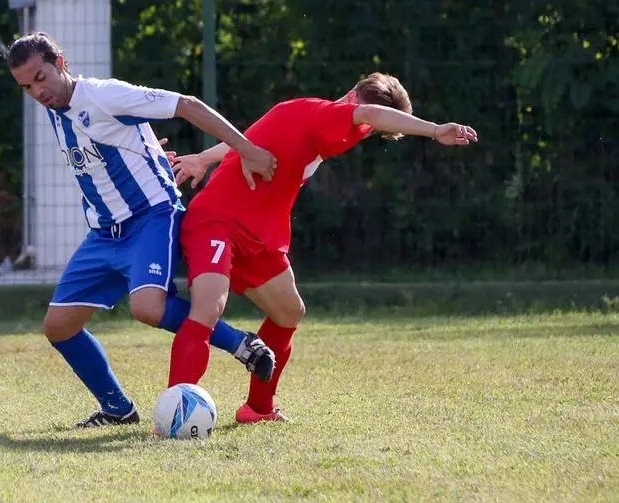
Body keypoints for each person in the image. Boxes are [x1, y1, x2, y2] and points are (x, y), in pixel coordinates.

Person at [165, 73, 478, 422]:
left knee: (288, 313)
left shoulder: (319, 121)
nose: (368, 130)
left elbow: (247, 137)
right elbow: (370, 115)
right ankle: (173, 415)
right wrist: (435, 130)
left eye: (376, 133)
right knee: (209, 307)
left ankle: (257, 409)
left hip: (258, 233)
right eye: (372, 124)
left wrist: (205, 159)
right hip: (217, 220)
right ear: (354, 98)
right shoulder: (328, 113)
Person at [6, 32, 279, 429]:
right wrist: (150, 153)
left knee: (147, 309)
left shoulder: (104, 95)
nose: (37, 91)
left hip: (152, 216)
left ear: (61, 63)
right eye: (26, 86)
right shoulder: (55, 106)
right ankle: (117, 408)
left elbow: (186, 105)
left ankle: (239, 342)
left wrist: (248, 149)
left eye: (41, 77)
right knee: (58, 327)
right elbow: (115, 142)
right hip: (104, 234)